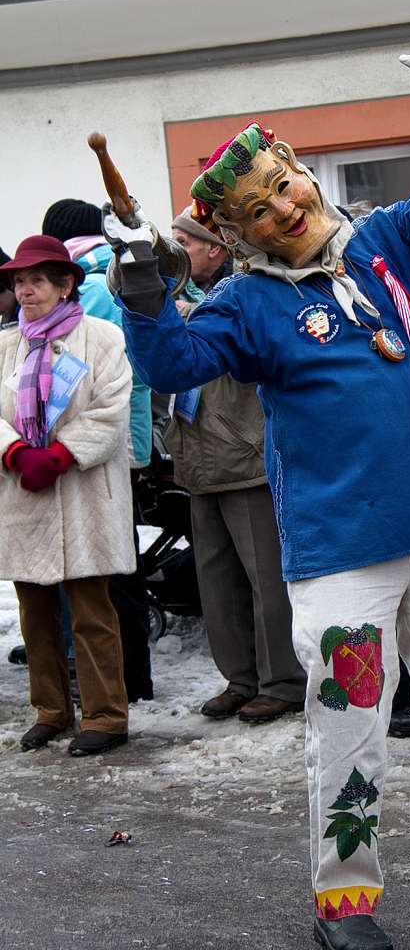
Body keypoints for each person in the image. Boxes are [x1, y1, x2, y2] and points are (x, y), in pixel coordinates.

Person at [108, 14, 410, 950]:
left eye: (285, 186)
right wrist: (146, 292)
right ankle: (343, 903)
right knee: (348, 728)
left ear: (305, 170)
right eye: (257, 212)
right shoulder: (246, 301)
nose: (284, 212)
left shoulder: (391, 240)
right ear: (234, 234)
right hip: (337, 550)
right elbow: (178, 364)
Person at [165, 209, 306, 723]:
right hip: (198, 457)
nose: (174, 249)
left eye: (183, 241)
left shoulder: (244, 292)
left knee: (265, 578)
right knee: (216, 579)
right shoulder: (176, 300)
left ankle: (283, 680)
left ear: (216, 249)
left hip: (245, 456)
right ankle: (240, 677)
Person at [0, 235, 134, 756]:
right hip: (24, 494)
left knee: (90, 609)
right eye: (18, 281)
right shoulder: (7, 345)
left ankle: (105, 715)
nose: (25, 290)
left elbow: (111, 408)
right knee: (34, 612)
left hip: (81, 491)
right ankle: (50, 710)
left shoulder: (101, 337)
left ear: (65, 285)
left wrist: (60, 455)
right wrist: (16, 454)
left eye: (35, 280)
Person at [41, 199, 154, 702]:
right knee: (117, 558)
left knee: (92, 564)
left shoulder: (82, 294)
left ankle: (109, 677)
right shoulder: (115, 276)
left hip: (88, 445)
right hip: (127, 436)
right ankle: (132, 677)